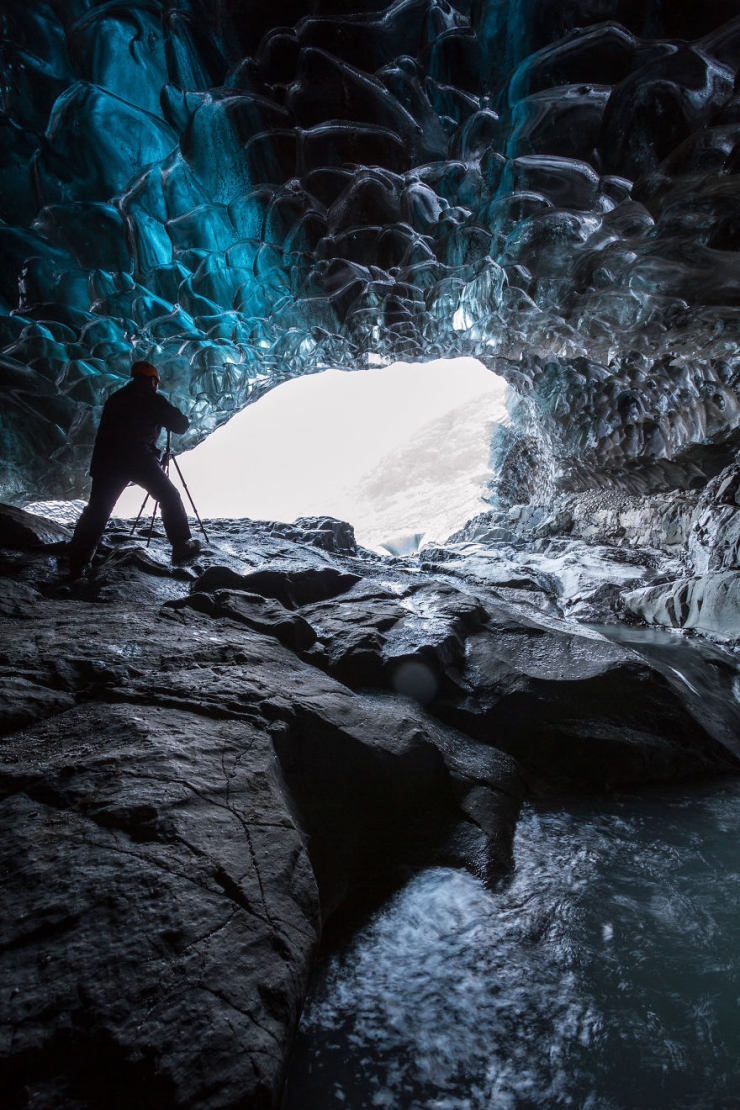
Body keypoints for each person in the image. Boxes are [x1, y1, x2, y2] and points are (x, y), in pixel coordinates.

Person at [67, 360, 201, 576]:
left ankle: (78, 559)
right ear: (152, 380)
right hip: (138, 458)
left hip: (106, 460)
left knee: (98, 509)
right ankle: (182, 545)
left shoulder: (116, 398)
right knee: (169, 496)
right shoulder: (150, 398)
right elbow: (180, 425)